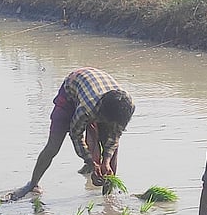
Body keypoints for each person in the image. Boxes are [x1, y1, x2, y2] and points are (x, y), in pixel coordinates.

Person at [8, 67, 135, 201]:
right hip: (72, 90)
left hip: (98, 88)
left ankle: (108, 194)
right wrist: (90, 161)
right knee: (53, 146)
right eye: (106, 121)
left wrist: (106, 162)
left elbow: (115, 136)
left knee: (111, 146)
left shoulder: (126, 108)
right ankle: (32, 184)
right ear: (101, 114)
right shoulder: (87, 108)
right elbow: (76, 135)